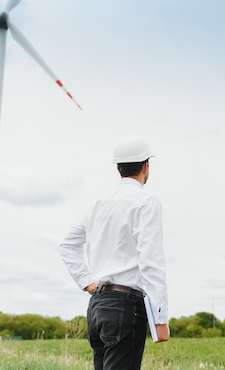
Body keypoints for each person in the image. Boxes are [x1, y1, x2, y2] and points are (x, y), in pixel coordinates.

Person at [59, 135, 169, 370]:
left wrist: (87, 283)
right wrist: (160, 317)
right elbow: (151, 261)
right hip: (126, 306)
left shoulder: (99, 203)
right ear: (146, 165)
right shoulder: (146, 201)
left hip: (97, 306)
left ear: (118, 167)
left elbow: (68, 243)